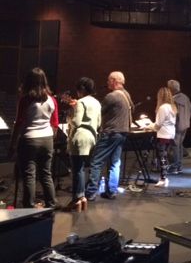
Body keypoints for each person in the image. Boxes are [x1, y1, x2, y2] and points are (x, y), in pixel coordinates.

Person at [8, 67, 60, 208]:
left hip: (29, 139)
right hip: (47, 139)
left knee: (29, 175)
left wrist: (12, 144)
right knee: (46, 174)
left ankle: (29, 207)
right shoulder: (52, 100)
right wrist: (50, 139)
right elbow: (55, 124)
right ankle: (51, 204)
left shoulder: (25, 100)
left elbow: (19, 123)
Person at [87, 71, 133, 200]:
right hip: (123, 133)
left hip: (111, 133)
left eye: (108, 80)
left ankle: (90, 192)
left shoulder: (111, 96)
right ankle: (111, 191)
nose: (107, 83)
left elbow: (99, 111)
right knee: (115, 162)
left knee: (96, 161)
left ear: (114, 81)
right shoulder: (126, 94)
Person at [65, 77, 101, 211]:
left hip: (80, 137)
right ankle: (82, 198)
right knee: (82, 168)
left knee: (77, 169)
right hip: (91, 137)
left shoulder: (80, 102)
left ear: (81, 89)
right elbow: (99, 123)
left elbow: (76, 122)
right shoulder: (97, 102)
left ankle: (78, 198)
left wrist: (69, 117)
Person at [147, 87, 176, 187]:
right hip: (170, 134)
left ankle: (163, 178)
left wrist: (148, 126)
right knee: (164, 156)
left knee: (161, 156)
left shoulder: (163, 107)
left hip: (163, 134)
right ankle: (164, 177)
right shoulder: (172, 107)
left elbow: (158, 124)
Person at [167, 79, 191, 175]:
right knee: (179, 146)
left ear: (171, 89)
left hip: (177, 125)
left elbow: (172, 114)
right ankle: (179, 166)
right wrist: (186, 119)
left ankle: (175, 167)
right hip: (185, 125)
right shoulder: (185, 97)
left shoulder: (173, 100)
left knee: (175, 146)